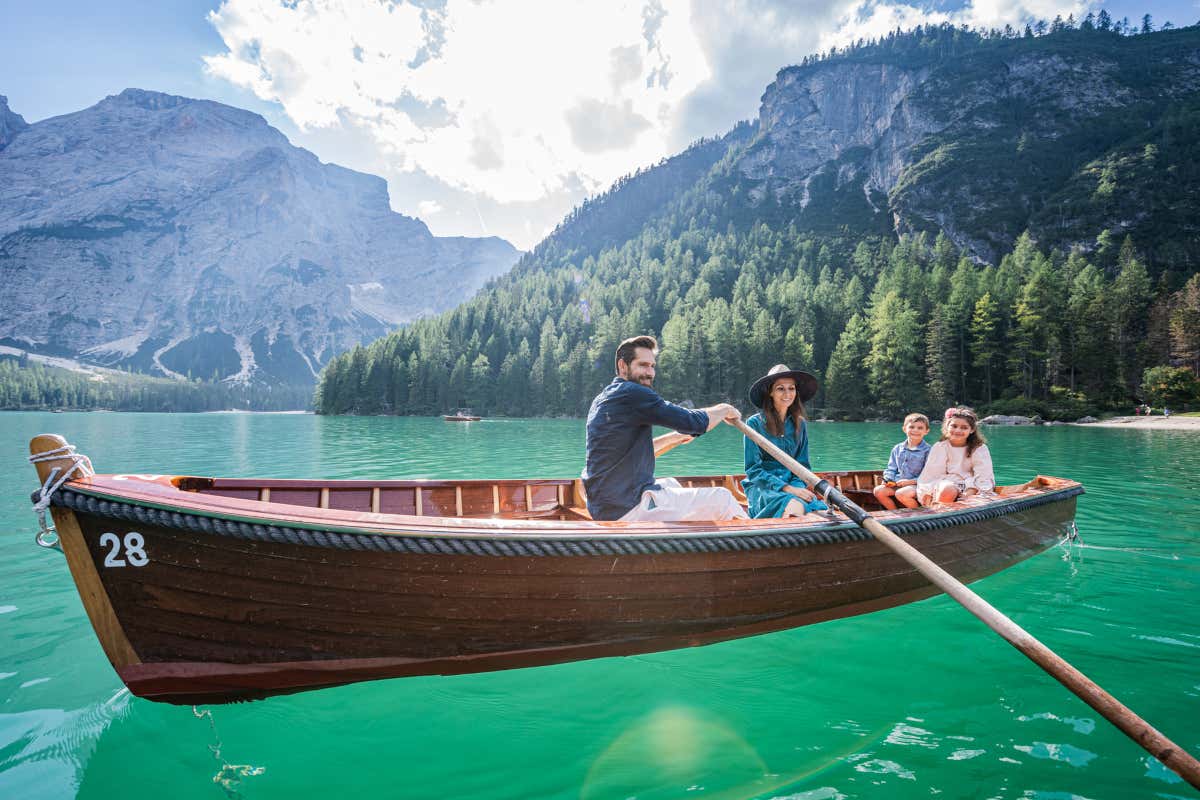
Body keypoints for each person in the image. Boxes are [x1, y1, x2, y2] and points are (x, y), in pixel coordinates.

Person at [583, 335, 748, 522]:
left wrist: (675, 437)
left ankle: (688, 543)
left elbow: (631, 453)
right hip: (625, 507)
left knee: (670, 483)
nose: (650, 372)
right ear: (623, 366)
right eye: (643, 365)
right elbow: (694, 422)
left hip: (604, 505)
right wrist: (723, 409)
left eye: (652, 366)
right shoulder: (632, 393)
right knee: (722, 498)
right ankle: (756, 542)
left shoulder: (604, 398)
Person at [741, 364, 829, 519]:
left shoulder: (800, 424)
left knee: (821, 512)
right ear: (770, 392)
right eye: (781, 388)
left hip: (794, 485)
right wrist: (787, 489)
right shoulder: (753, 424)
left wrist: (796, 488)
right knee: (795, 506)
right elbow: (753, 470)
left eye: (791, 388)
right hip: (763, 487)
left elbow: (802, 467)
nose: (787, 393)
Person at [917, 406, 995, 505]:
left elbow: (984, 475)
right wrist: (928, 493)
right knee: (947, 489)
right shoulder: (940, 446)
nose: (958, 430)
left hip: (971, 486)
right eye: (954, 426)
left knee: (948, 489)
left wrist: (970, 492)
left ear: (972, 430)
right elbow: (931, 474)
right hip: (945, 485)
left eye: (964, 427)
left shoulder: (979, 448)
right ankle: (939, 513)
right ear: (947, 426)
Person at [873, 412, 932, 510]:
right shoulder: (897, 448)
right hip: (897, 483)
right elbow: (891, 468)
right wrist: (888, 479)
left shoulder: (928, 450)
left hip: (917, 484)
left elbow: (929, 475)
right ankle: (895, 513)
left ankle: (919, 514)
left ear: (926, 431)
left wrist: (909, 482)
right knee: (878, 491)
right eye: (911, 427)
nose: (915, 430)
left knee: (901, 493)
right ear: (904, 429)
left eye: (920, 428)